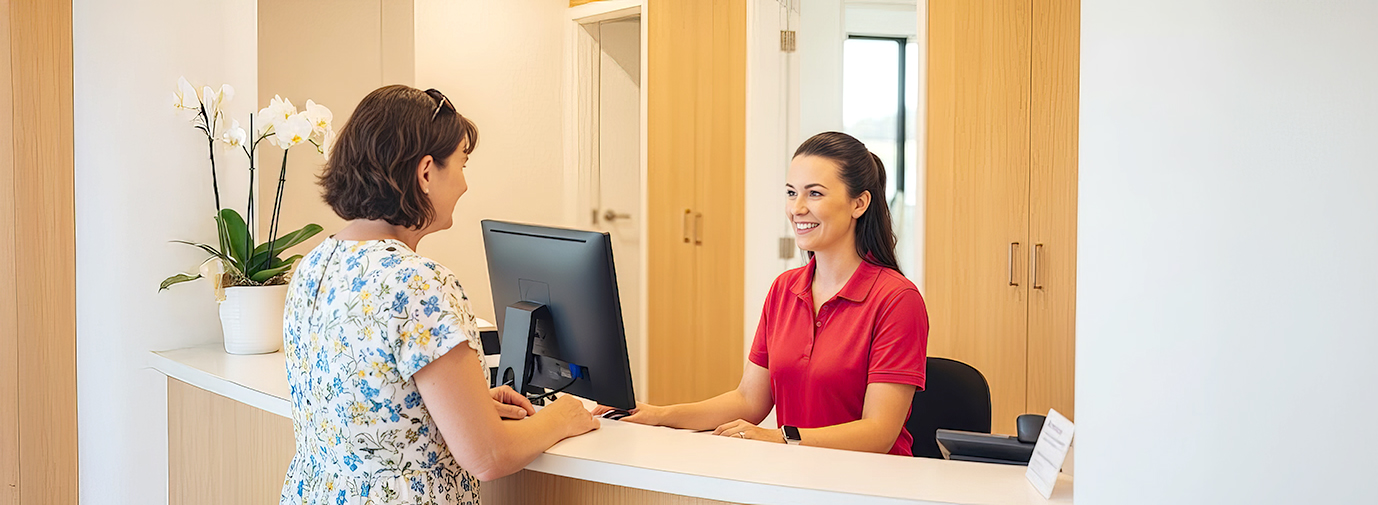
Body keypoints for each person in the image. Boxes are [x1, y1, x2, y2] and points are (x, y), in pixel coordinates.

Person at [280, 85, 598, 505]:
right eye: (462, 164)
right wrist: (562, 416)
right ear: (426, 172)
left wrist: (466, 405)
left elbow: (363, 403)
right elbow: (488, 455)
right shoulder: (419, 283)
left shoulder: (315, 265)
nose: (464, 185)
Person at [597, 131, 929, 455]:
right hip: (792, 477)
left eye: (814, 194)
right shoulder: (785, 289)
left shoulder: (897, 299)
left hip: (872, 484)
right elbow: (749, 401)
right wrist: (658, 415)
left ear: (859, 203)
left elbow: (879, 432)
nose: (797, 208)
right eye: (790, 192)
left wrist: (781, 439)